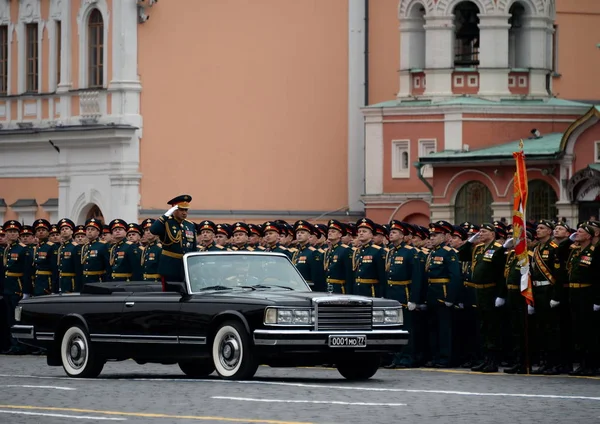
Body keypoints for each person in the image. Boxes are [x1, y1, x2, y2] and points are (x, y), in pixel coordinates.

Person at [150, 195, 197, 287]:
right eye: (181, 209)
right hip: (169, 266)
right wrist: (166, 215)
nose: (184, 213)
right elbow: (153, 230)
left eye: (186, 210)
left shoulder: (190, 225)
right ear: (174, 209)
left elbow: (193, 247)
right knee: (170, 294)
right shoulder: (166, 223)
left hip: (185, 267)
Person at [2, 220, 32, 355]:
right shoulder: (8, 249)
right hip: (8, 287)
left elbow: (26, 272)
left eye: (14, 232)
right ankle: (13, 344)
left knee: (17, 318)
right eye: (9, 232)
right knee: (9, 318)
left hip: (17, 287)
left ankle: (21, 345)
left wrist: (25, 291)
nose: (12, 234)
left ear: (18, 234)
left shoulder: (23, 249)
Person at [352, 218, 386, 297]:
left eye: (364, 231)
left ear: (371, 235)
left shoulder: (378, 251)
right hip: (357, 290)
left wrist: (382, 295)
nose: (361, 233)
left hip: (371, 291)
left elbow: (382, 276)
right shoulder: (357, 251)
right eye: (359, 231)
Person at [323, 219, 353, 294]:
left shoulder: (345, 250)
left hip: (340, 289)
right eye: (329, 231)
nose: (330, 233)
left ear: (340, 235)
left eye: (333, 231)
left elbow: (349, 275)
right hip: (328, 288)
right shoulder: (329, 251)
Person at [32, 219, 59, 296]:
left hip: (47, 282)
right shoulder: (37, 247)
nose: (40, 232)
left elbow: (55, 268)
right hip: (37, 282)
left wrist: (54, 288)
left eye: (43, 230)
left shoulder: (51, 246)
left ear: (48, 233)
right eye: (38, 230)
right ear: (36, 234)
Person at [81, 218, 110, 285]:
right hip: (85, 280)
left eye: (92, 229)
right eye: (88, 229)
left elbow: (108, 266)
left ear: (98, 232)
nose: (89, 231)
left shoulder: (103, 245)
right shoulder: (85, 246)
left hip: (98, 280)